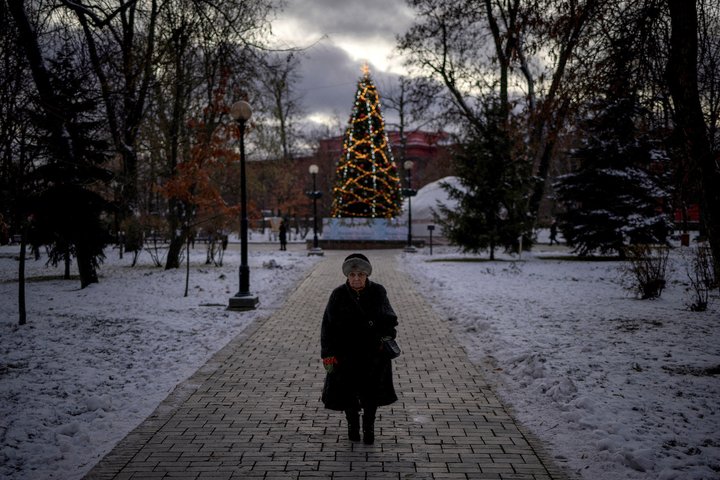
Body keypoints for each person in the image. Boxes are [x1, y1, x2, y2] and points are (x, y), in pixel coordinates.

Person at [320, 253, 398, 444]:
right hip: (345, 354)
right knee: (348, 394)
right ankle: (352, 426)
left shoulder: (378, 292)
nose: (356, 279)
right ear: (347, 276)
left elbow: (389, 319)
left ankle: (369, 428)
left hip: (373, 354)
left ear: (366, 275)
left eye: (360, 274)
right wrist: (328, 355)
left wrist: (385, 338)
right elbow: (327, 327)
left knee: (371, 394)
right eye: (352, 275)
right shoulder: (338, 294)